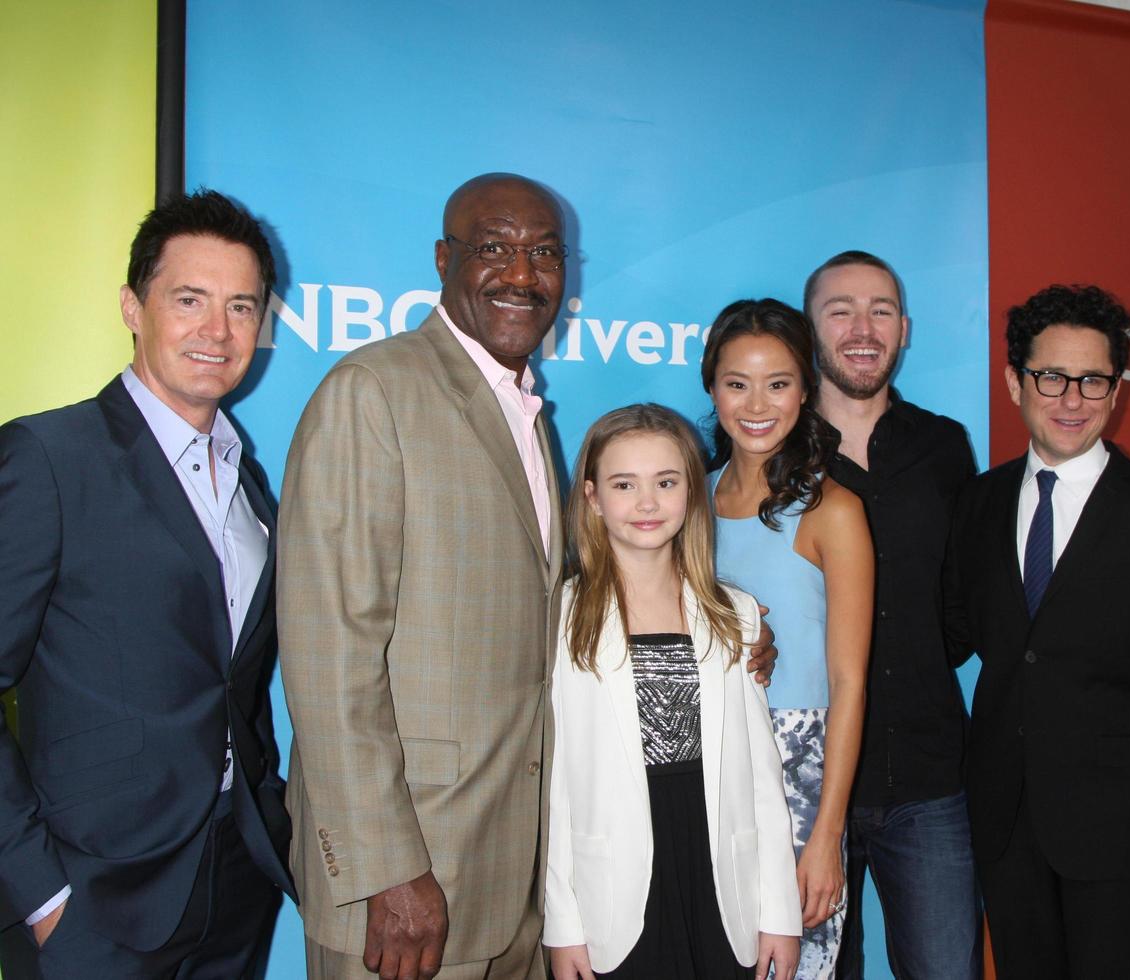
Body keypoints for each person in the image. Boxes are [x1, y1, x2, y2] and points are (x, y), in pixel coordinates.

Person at [277, 173, 780, 980]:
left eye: (545, 253)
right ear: (443, 259)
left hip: (521, 880)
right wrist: (385, 869)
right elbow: (326, 649)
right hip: (411, 882)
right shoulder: (372, 393)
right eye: (495, 249)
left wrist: (734, 632)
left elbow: (569, 614)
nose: (522, 273)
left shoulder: (526, 416)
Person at [0, 190, 295, 978]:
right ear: (133, 306)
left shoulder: (249, 481)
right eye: (189, 300)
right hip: (93, 901)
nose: (217, 331)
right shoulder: (49, 458)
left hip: (235, 886)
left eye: (242, 306)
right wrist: (42, 897)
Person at [945, 284, 1130, 979]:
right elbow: (951, 633)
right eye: (1052, 377)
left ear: (1116, 389)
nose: (1071, 399)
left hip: (1123, 831)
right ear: (1016, 380)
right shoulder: (979, 501)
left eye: (1093, 380)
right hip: (1004, 818)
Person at [542, 404, 801, 980]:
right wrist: (563, 924)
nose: (646, 502)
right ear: (591, 496)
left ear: (692, 491)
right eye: (623, 484)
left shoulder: (732, 614)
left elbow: (762, 776)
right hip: (615, 889)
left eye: (665, 482)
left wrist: (779, 911)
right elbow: (557, 784)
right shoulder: (561, 617)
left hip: (720, 874)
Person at [802, 251, 982, 980]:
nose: (862, 326)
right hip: (802, 785)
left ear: (904, 329)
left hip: (929, 782)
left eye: (880, 309)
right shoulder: (765, 447)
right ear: (810, 327)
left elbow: (965, 600)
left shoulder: (942, 447)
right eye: (840, 309)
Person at [702, 298, 873, 979]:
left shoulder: (835, 511)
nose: (756, 404)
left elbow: (849, 684)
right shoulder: (684, 501)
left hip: (799, 779)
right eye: (736, 382)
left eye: (777, 383)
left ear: (805, 390)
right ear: (712, 386)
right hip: (701, 766)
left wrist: (827, 834)